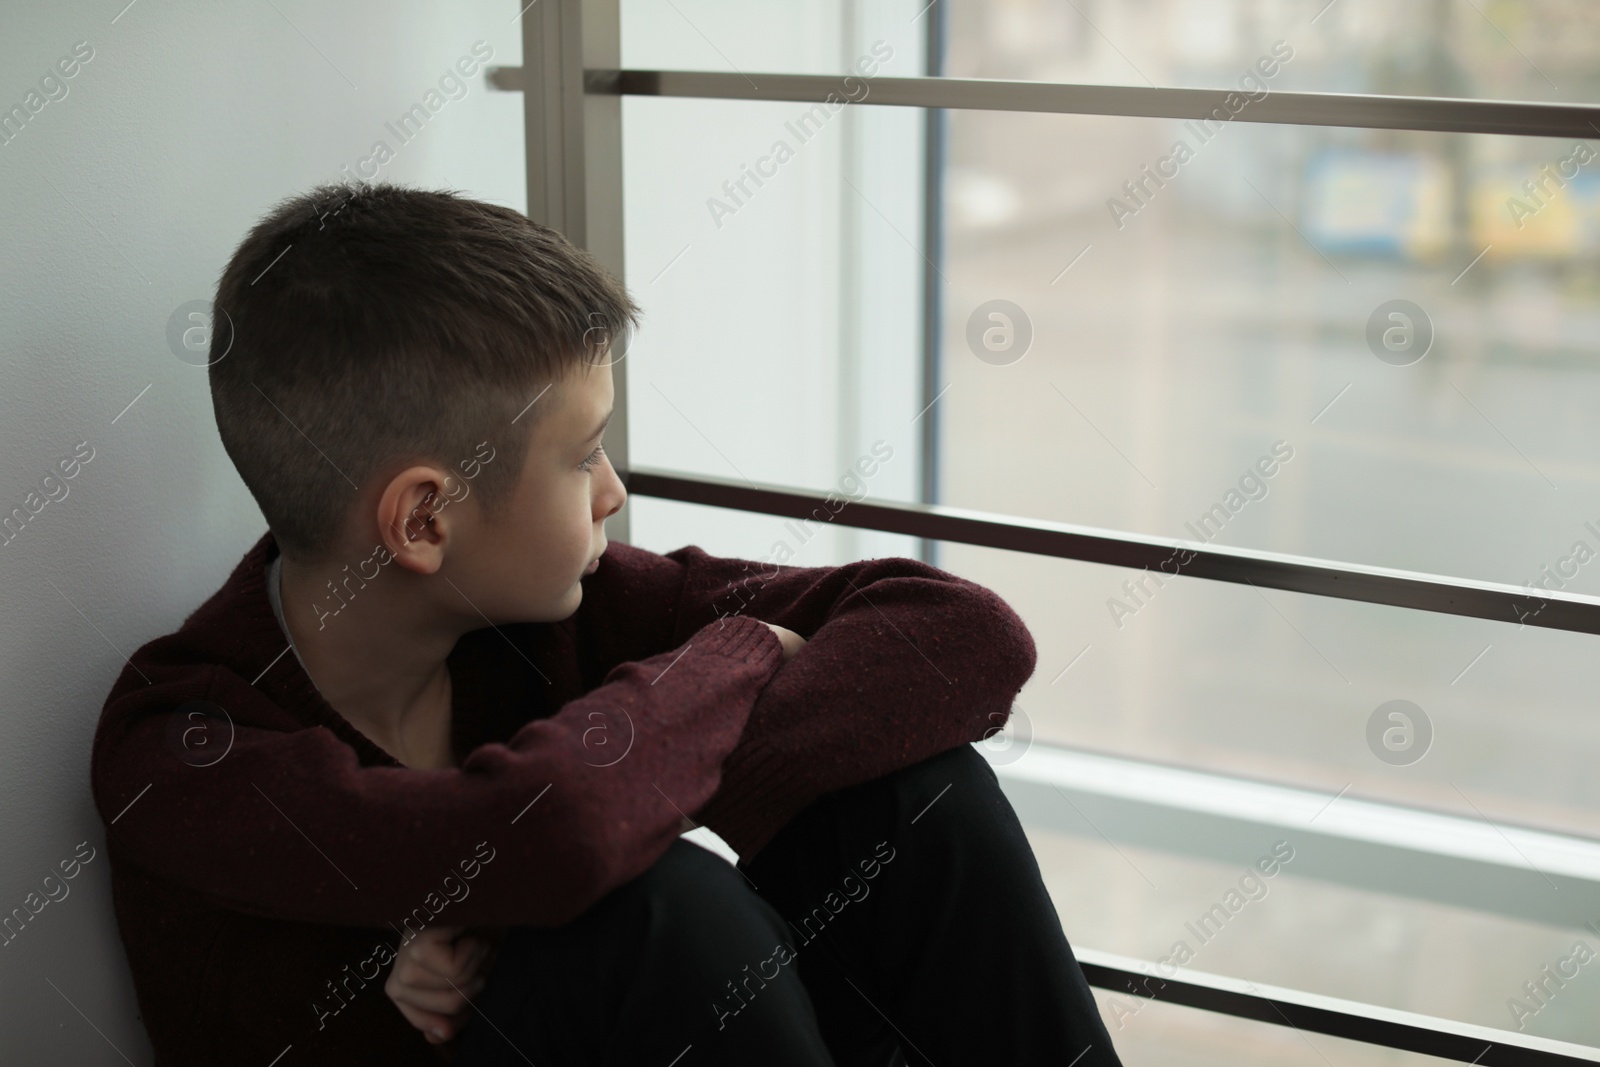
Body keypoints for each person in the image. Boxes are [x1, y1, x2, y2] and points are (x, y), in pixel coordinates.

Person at [90, 182, 1121, 1065]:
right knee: (654, 910)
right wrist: (743, 653)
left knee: (905, 795)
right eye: (582, 453)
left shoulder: (547, 621)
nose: (613, 489)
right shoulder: (185, 749)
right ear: (425, 518)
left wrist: (534, 862)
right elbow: (561, 827)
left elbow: (959, 633)